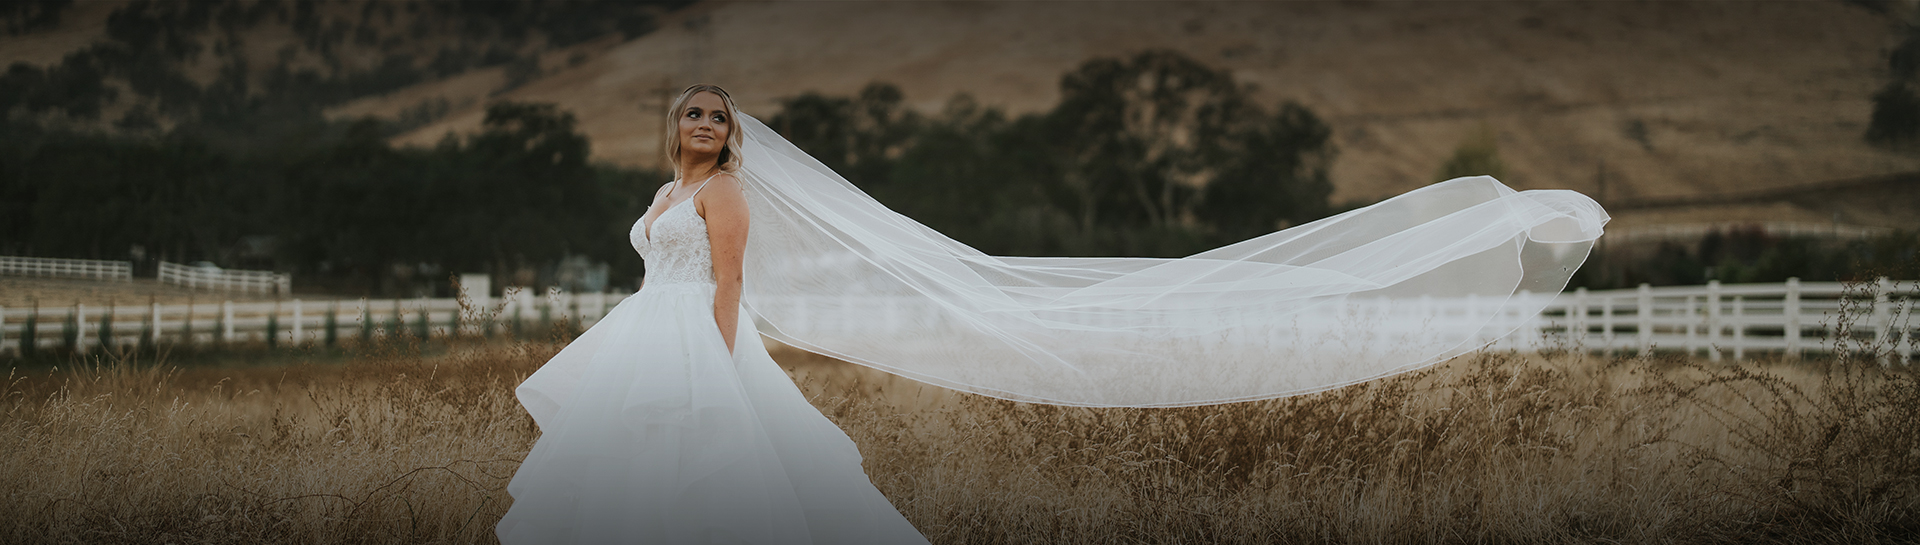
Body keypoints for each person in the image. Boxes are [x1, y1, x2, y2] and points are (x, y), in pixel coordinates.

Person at [496, 84, 932, 544]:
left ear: (729, 135)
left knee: (709, 453)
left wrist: (718, 362)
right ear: (677, 125)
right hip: (646, 329)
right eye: (695, 114)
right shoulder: (667, 190)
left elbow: (730, 281)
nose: (706, 123)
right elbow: (655, 269)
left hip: (699, 332)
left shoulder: (722, 189)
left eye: (719, 118)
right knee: (633, 451)